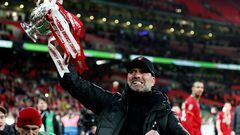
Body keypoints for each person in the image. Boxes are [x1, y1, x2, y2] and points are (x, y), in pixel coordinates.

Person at [59, 56, 189, 135]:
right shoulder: (111, 102)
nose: (137, 75)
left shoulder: (164, 114)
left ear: (153, 80)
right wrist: (61, 59)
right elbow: (76, 85)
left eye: (143, 72)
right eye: (132, 71)